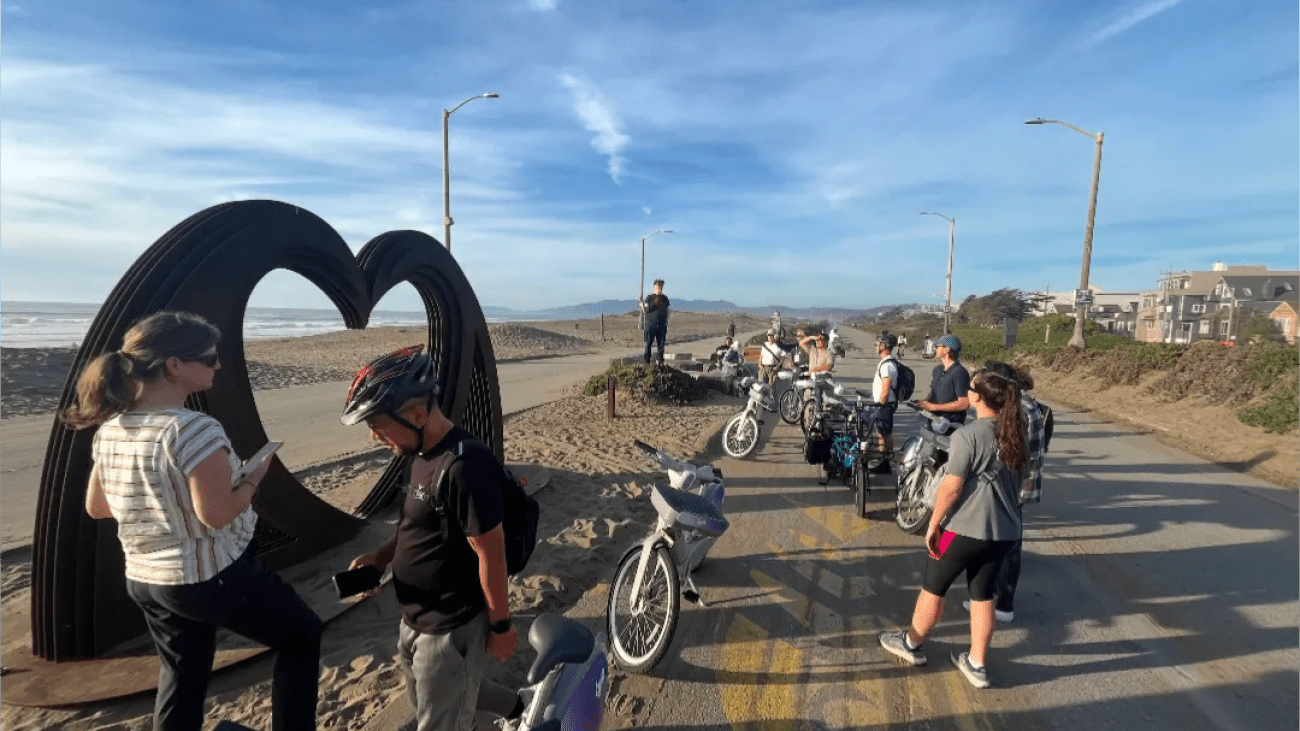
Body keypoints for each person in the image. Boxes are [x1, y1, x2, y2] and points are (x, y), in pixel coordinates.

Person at [64, 311, 322, 731]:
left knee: (183, 674)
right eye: (208, 358)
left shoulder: (112, 428)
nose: (217, 365)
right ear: (174, 366)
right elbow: (217, 515)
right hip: (208, 577)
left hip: (147, 580)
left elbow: (99, 505)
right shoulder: (193, 430)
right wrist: (253, 478)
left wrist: (168, 502)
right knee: (301, 635)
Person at [342, 345, 521, 731]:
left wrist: (502, 627)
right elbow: (416, 525)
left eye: (377, 425)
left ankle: (512, 712)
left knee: (441, 714)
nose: (374, 436)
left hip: (450, 627)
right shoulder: (418, 454)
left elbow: (492, 552)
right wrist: (381, 558)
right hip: (413, 620)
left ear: (417, 414)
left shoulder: (464, 466)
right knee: (439, 700)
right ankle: (519, 709)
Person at [878, 363, 1028, 689]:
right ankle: (977, 663)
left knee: (934, 587)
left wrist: (933, 525)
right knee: (982, 595)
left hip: (963, 530)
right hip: (1004, 533)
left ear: (979, 398)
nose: (968, 391)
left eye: (972, 388)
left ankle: (912, 645)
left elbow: (950, 488)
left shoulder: (969, 436)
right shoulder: (1017, 433)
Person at [963, 363, 1047, 624]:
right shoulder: (1025, 404)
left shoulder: (1019, 409)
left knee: (1006, 546)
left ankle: (1000, 603)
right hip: (1018, 483)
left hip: (1012, 485)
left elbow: (1005, 449)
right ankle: (993, 599)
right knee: (1004, 543)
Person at [916, 334, 970, 425]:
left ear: (947, 350)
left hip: (950, 425)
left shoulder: (960, 373)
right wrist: (924, 403)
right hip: (934, 421)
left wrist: (934, 407)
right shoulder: (937, 370)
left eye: (938, 346)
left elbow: (964, 403)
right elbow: (934, 393)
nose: (935, 348)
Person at [869, 332, 901, 474]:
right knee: (884, 432)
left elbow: (886, 386)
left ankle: (884, 462)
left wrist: (881, 402)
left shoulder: (887, 364)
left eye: (877, 344)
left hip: (884, 405)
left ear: (883, 346)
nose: (875, 346)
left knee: (883, 433)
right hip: (887, 405)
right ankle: (885, 459)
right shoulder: (889, 361)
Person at [641, 278, 670, 365]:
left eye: (661, 285)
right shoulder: (649, 298)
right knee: (649, 342)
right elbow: (645, 310)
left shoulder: (665, 298)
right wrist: (644, 303)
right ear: (654, 287)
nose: (659, 287)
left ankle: (660, 361)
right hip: (650, 324)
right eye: (658, 285)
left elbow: (666, 309)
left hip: (661, 324)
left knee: (661, 343)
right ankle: (647, 361)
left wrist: (666, 321)